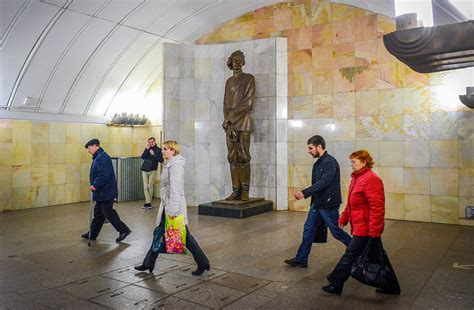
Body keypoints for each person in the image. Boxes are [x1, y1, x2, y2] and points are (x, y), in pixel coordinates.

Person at [322, 150, 400, 295]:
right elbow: (351, 203)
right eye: (351, 162)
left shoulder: (371, 179)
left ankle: (336, 282)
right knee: (379, 256)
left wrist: (375, 229)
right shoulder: (356, 178)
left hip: (366, 227)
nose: (351, 165)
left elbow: (377, 207)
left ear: (364, 162)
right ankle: (392, 286)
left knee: (350, 254)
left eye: (354, 162)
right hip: (360, 225)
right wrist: (344, 217)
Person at [135, 140, 210, 275]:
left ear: (173, 151)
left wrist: (173, 210)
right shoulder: (169, 164)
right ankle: (148, 263)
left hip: (172, 207)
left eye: (165, 149)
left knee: (184, 237)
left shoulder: (175, 166)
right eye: (162, 149)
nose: (162, 151)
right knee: (159, 233)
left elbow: (176, 190)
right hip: (167, 206)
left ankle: (203, 262)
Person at [285, 135, 352, 268]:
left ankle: (358, 251)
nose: (309, 151)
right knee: (308, 230)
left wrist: (305, 193)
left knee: (336, 232)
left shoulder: (329, 162)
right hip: (318, 204)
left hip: (328, 205)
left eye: (311, 148)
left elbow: (323, 183)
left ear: (319, 147)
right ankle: (301, 259)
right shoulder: (320, 162)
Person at [81, 139, 131, 243]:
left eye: (89, 148)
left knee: (107, 212)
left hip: (106, 191)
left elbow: (104, 175)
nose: (88, 150)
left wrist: (95, 185)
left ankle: (124, 230)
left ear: (95, 146)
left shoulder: (102, 157)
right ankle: (92, 233)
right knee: (98, 213)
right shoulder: (98, 157)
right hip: (102, 191)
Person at [222, 50, 255, 201]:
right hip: (230, 125)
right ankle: (236, 190)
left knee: (243, 157)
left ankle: (245, 191)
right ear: (230, 62)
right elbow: (225, 104)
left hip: (243, 123)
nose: (237, 62)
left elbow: (248, 103)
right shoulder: (228, 81)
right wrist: (227, 123)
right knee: (232, 157)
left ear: (243, 62)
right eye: (234, 60)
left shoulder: (248, 78)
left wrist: (230, 119)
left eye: (240, 60)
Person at [141, 137, 164, 210]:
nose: (151, 143)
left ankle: (148, 202)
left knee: (150, 186)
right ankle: (148, 202)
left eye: (152, 142)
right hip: (145, 169)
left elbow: (161, 160)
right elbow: (143, 157)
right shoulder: (147, 149)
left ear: (155, 141)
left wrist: (153, 154)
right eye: (149, 142)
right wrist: (146, 149)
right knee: (145, 186)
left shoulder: (159, 150)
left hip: (153, 170)